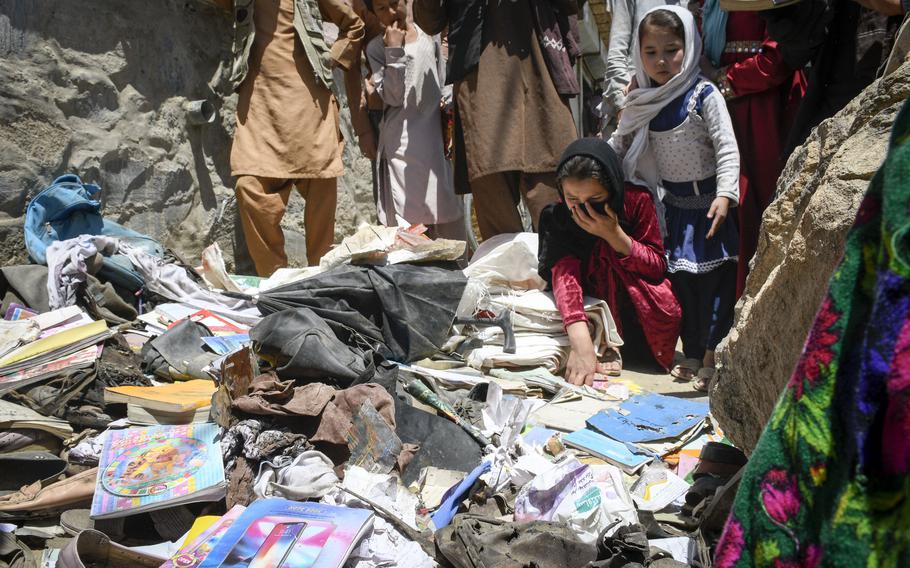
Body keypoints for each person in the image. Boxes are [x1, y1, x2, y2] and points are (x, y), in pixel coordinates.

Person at [610, 6, 740, 391]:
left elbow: (726, 146)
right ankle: (695, 351)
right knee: (684, 286)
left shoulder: (704, 94)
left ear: (690, 46)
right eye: (651, 52)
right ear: (639, 54)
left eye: (671, 50)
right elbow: (620, 143)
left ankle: (714, 352)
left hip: (711, 209)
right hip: (675, 210)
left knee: (717, 284)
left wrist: (726, 193)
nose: (662, 60)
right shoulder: (645, 101)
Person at [215, 0, 371, 276]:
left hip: (309, 107)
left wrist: (330, 58)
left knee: (321, 193)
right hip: (260, 106)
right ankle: (276, 281)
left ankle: (321, 278)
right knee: (249, 187)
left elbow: (354, 26)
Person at [412, 0, 579, 240]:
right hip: (481, 82)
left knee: (552, 195)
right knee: (496, 206)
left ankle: (563, 274)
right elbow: (430, 21)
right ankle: (512, 276)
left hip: (540, 75)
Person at [539, 138, 682, 387]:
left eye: (595, 199)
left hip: (636, 313)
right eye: (573, 198)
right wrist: (581, 344)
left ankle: (621, 343)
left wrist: (614, 235)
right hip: (588, 308)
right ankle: (600, 341)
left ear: (613, 189)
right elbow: (565, 277)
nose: (584, 209)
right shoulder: (559, 216)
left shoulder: (636, 202)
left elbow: (657, 265)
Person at [697, 2, 805, 295]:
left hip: (767, 112)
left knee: (765, 206)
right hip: (723, 112)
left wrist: (722, 79)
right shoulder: (710, 5)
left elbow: (777, 59)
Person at [366, 0, 465, 239]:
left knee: (448, 217)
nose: (390, 12)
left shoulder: (428, 37)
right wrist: (394, 50)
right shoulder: (376, 49)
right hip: (401, 148)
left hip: (434, 141)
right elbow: (393, 96)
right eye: (381, 8)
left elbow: (442, 82)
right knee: (408, 231)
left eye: (393, 3)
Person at [601, 0, 682, 137]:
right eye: (651, 52)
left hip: (681, 106)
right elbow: (617, 53)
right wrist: (623, 106)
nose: (661, 60)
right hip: (635, 107)